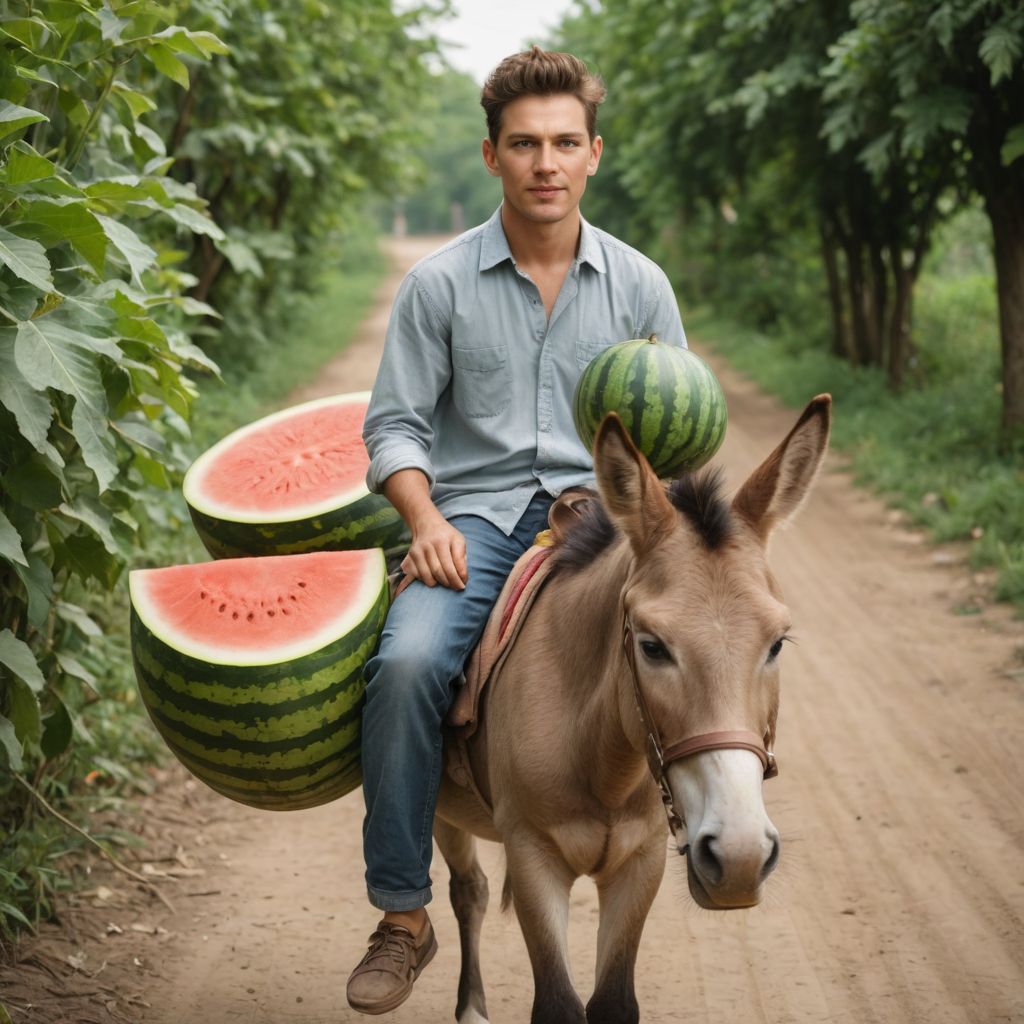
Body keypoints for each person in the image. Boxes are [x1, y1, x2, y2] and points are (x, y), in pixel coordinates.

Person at [346, 46, 687, 1015]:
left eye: (565, 143)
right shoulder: (439, 285)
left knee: (705, 655)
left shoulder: (641, 288)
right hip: (476, 527)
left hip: (608, 528)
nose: (546, 161)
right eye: (525, 144)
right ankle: (405, 914)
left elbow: (681, 430)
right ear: (491, 154)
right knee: (407, 665)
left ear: (593, 154)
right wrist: (423, 519)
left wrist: (650, 523)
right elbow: (396, 422)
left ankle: (708, 838)